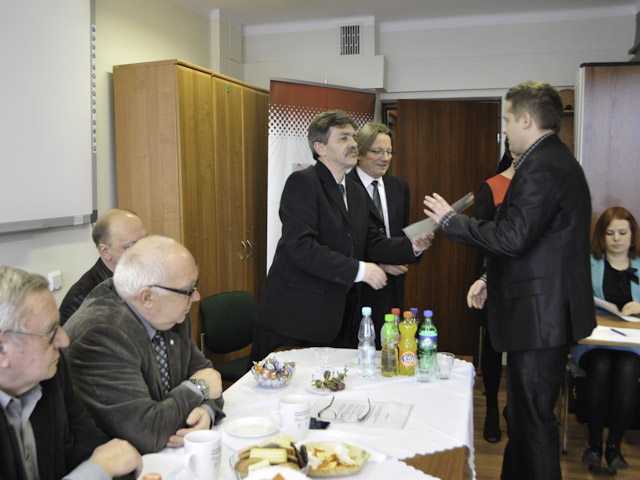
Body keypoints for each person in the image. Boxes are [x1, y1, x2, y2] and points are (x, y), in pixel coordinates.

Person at [423, 80, 596, 480]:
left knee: (532, 424)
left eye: (506, 119)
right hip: (544, 312)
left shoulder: (540, 165)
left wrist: (452, 221)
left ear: (526, 119)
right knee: (522, 418)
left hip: (539, 317)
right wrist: (491, 276)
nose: (504, 128)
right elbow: (537, 240)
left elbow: (512, 237)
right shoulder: (556, 159)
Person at [250, 110, 432, 362]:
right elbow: (302, 248)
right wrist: (360, 270)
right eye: (343, 138)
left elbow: (372, 242)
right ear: (320, 148)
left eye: (354, 137)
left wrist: (412, 246)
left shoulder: (356, 192)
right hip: (294, 319)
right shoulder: (303, 183)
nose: (353, 143)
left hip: (338, 320)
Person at [63, 235, 224, 454]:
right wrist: (199, 388)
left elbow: (208, 376)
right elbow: (148, 433)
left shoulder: (169, 310)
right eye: (188, 290)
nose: (196, 297)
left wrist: (206, 411)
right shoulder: (102, 334)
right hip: (124, 462)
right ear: (147, 297)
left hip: (169, 451)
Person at [0, 266, 142, 480]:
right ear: (2, 349)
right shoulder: (46, 369)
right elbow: (105, 463)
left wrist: (105, 467)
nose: (64, 340)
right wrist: (97, 470)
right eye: (50, 331)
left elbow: (97, 450)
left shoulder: (51, 373)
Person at [572, 206, 640, 471]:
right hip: (594, 339)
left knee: (628, 367)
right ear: (601, 236)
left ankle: (614, 447)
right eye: (610, 233)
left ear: (633, 235)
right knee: (600, 365)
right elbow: (572, 300)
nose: (616, 239)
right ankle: (594, 445)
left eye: (622, 232)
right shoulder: (588, 263)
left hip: (632, 343)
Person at [469, 140, 518, 444]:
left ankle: (514, 408)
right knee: (493, 343)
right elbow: (481, 236)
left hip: (528, 283)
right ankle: (490, 407)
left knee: (522, 347)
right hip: (495, 278)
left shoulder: (539, 185)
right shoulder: (493, 186)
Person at [347, 122, 411, 348]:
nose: (385, 158)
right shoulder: (345, 187)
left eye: (389, 152)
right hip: (356, 288)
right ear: (360, 153)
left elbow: (400, 232)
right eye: (377, 151)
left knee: (389, 345)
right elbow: (344, 242)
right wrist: (377, 264)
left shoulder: (399, 188)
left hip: (392, 284)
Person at [59, 208, 147, 325]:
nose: (144, 251)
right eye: (130, 247)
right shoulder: (81, 299)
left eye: (146, 241)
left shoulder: (150, 274)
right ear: (105, 251)